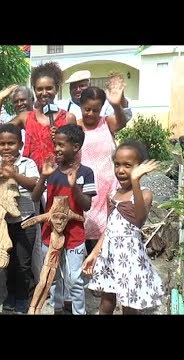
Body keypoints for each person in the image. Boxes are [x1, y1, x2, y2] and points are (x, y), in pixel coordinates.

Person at [83, 141, 164, 314]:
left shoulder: (144, 193)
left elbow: (139, 219)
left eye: (128, 165)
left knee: (129, 304)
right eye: (117, 164)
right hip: (110, 256)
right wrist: (95, 253)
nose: (120, 170)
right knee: (107, 302)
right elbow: (109, 228)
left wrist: (135, 181)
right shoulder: (112, 195)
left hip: (130, 258)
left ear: (140, 167)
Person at [31, 124, 96, 315]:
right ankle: (56, 309)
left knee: (74, 280)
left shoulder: (86, 173)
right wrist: (43, 177)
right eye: (55, 144)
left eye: (61, 145)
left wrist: (74, 186)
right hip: (49, 236)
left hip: (74, 237)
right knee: (53, 277)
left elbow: (86, 205)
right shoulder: (51, 171)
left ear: (75, 147)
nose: (56, 148)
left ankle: (78, 311)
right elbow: (35, 198)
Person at [0, 123, 39, 314]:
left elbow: (34, 185)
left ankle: (22, 298)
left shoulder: (28, 163)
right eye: (2, 144)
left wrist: (15, 175)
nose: (6, 147)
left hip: (25, 221)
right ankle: (10, 296)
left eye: (11, 143)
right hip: (2, 224)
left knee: (23, 262)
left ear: (20, 144)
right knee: (8, 263)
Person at [0, 62, 76, 173]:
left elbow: (75, 151)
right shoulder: (26, 117)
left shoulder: (68, 118)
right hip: (31, 179)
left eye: (49, 88)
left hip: (59, 178)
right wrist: (0, 100)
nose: (44, 93)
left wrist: (60, 140)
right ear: (34, 90)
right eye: (39, 89)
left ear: (57, 88)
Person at [77, 86, 128, 254]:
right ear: (80, 106)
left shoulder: (107, 122)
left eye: (96, 110)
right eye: (87, 109)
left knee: (108, 236)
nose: (91, 113)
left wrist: (116, 105)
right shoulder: (75, 126)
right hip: (85, 189)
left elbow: (122, 121)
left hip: (108, 189)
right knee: (83, 233)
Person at [56, 70, 133, 121]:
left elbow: (125, 118)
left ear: (89, 86)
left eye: (82, 86)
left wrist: (120, 98)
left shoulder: (104, 103)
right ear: (69, 89)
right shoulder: (62, 106)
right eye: (74, 87)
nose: (78, 89)